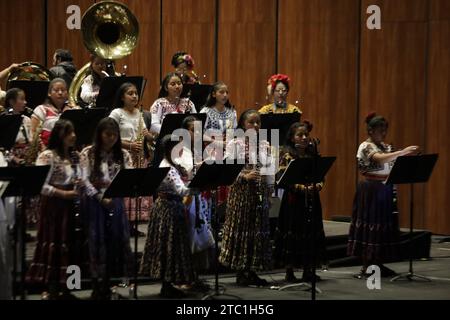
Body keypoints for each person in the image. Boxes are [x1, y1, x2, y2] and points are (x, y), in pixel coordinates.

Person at [347, 112, 419, 278]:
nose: (384, 133)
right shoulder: (365, 146)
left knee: (383, 225)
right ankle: (366, 265)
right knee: (370, 225)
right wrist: (401, 152)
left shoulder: (386, 146)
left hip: (385, 188)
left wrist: (404, 157)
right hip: (371, 189)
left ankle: (378, 263)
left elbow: (391, 162)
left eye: (385, 130)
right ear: (371, 131)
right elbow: (379, 159)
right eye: (380, 130)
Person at [26, 119, 88, 300]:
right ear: (59, 136)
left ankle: (70, 287)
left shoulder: (76, 156)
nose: (74, 136)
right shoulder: (47, 156)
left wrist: (81, 184)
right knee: (54, 245)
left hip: (72, 206)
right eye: (69, 133)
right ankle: (52, 288)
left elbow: (83, 178)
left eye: (73, 132)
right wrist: (64, 193)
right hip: (54, 206)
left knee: (72, 246)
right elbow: (42, 186)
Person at [219, 109, 274, 286]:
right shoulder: (235, 144)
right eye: (251, 122)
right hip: (241, 194)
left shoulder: (265, 144)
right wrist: (244, 176)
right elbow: (227, 170)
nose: (256, 126)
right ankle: (241, 271)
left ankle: (252, 269)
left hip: (258, 194)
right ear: (243, 124)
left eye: (258, 122)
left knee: (256, 231)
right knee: (242, 231)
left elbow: (269, 170)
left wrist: (269, 189)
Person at [80, 118, 133, 300]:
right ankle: (97, 285)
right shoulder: (88, 153)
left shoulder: (124, 154)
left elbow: (128, 177)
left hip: (116, 202)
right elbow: (84, 180)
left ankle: (111, 283)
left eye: (115, 135)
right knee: (96, 241)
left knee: (116, 241)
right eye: (107, 135)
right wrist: (99, 196)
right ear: (100, 134)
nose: (111, 139)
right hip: (95, 202)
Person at [140, 135, 196, 298]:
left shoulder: (172, 164)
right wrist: (198, 186)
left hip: (168, 207)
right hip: (168, 209)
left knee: (170, 246)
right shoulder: (168, 167)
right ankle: (167, 284)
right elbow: (181, 190)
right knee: (169, 246)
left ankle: (168, 283)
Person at [274, 121, 326, 282]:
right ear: (291, 137)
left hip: (311, 199)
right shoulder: (286, 153)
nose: (304, 138)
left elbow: (321, 175)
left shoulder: (312, 153)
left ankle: (308, 269)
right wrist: (302, 188)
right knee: (293, 232)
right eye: (299, 135)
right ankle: (290, 270)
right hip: (293, 201)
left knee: (311, 232)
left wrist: (317, 186)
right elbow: (282, 178)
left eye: (306, 135)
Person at [109, 82, 154, 225]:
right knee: (125, 189)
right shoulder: (116, 113)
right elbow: (109, 135)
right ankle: (124, 221)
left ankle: (134, 222)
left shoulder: (139, 113)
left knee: (138, 188)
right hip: (122, 156)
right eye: (130, 93)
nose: (134, 96)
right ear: (122, 97)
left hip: (138, 155)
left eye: (135, 93)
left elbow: (143, 134)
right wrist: (129, 145)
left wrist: (148, 136)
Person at [31, 78, 72, 149]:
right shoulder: (41, 109)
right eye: (56, 90)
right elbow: (33, 133)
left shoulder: (72, 110)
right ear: (49, 93)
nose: (60, 93)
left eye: (63, 90)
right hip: (46, 150)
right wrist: (43, 150)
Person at [3, 88, 32, 166]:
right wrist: (15, 159)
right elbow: (2, 147)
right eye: (22, 99)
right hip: (9, 162)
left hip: (26, 160)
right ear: (12, 102)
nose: (25, 102)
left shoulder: (27, 119)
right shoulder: (4, 120)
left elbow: (31, 140)